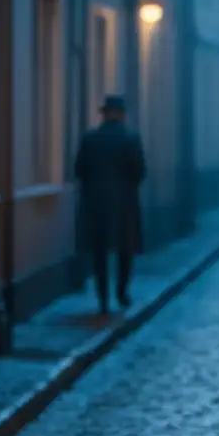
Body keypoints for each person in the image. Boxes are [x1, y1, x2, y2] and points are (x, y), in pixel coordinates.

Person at [74, 94, 147, 315]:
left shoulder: (90, 139)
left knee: (99, 252)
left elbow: (78, 170)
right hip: (124, 203)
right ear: (122, 115)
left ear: (104, 115)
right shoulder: (131, 139)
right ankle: (122, 292)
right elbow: (140, 171)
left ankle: (103, 297)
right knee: (125, 250)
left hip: (95, 204)